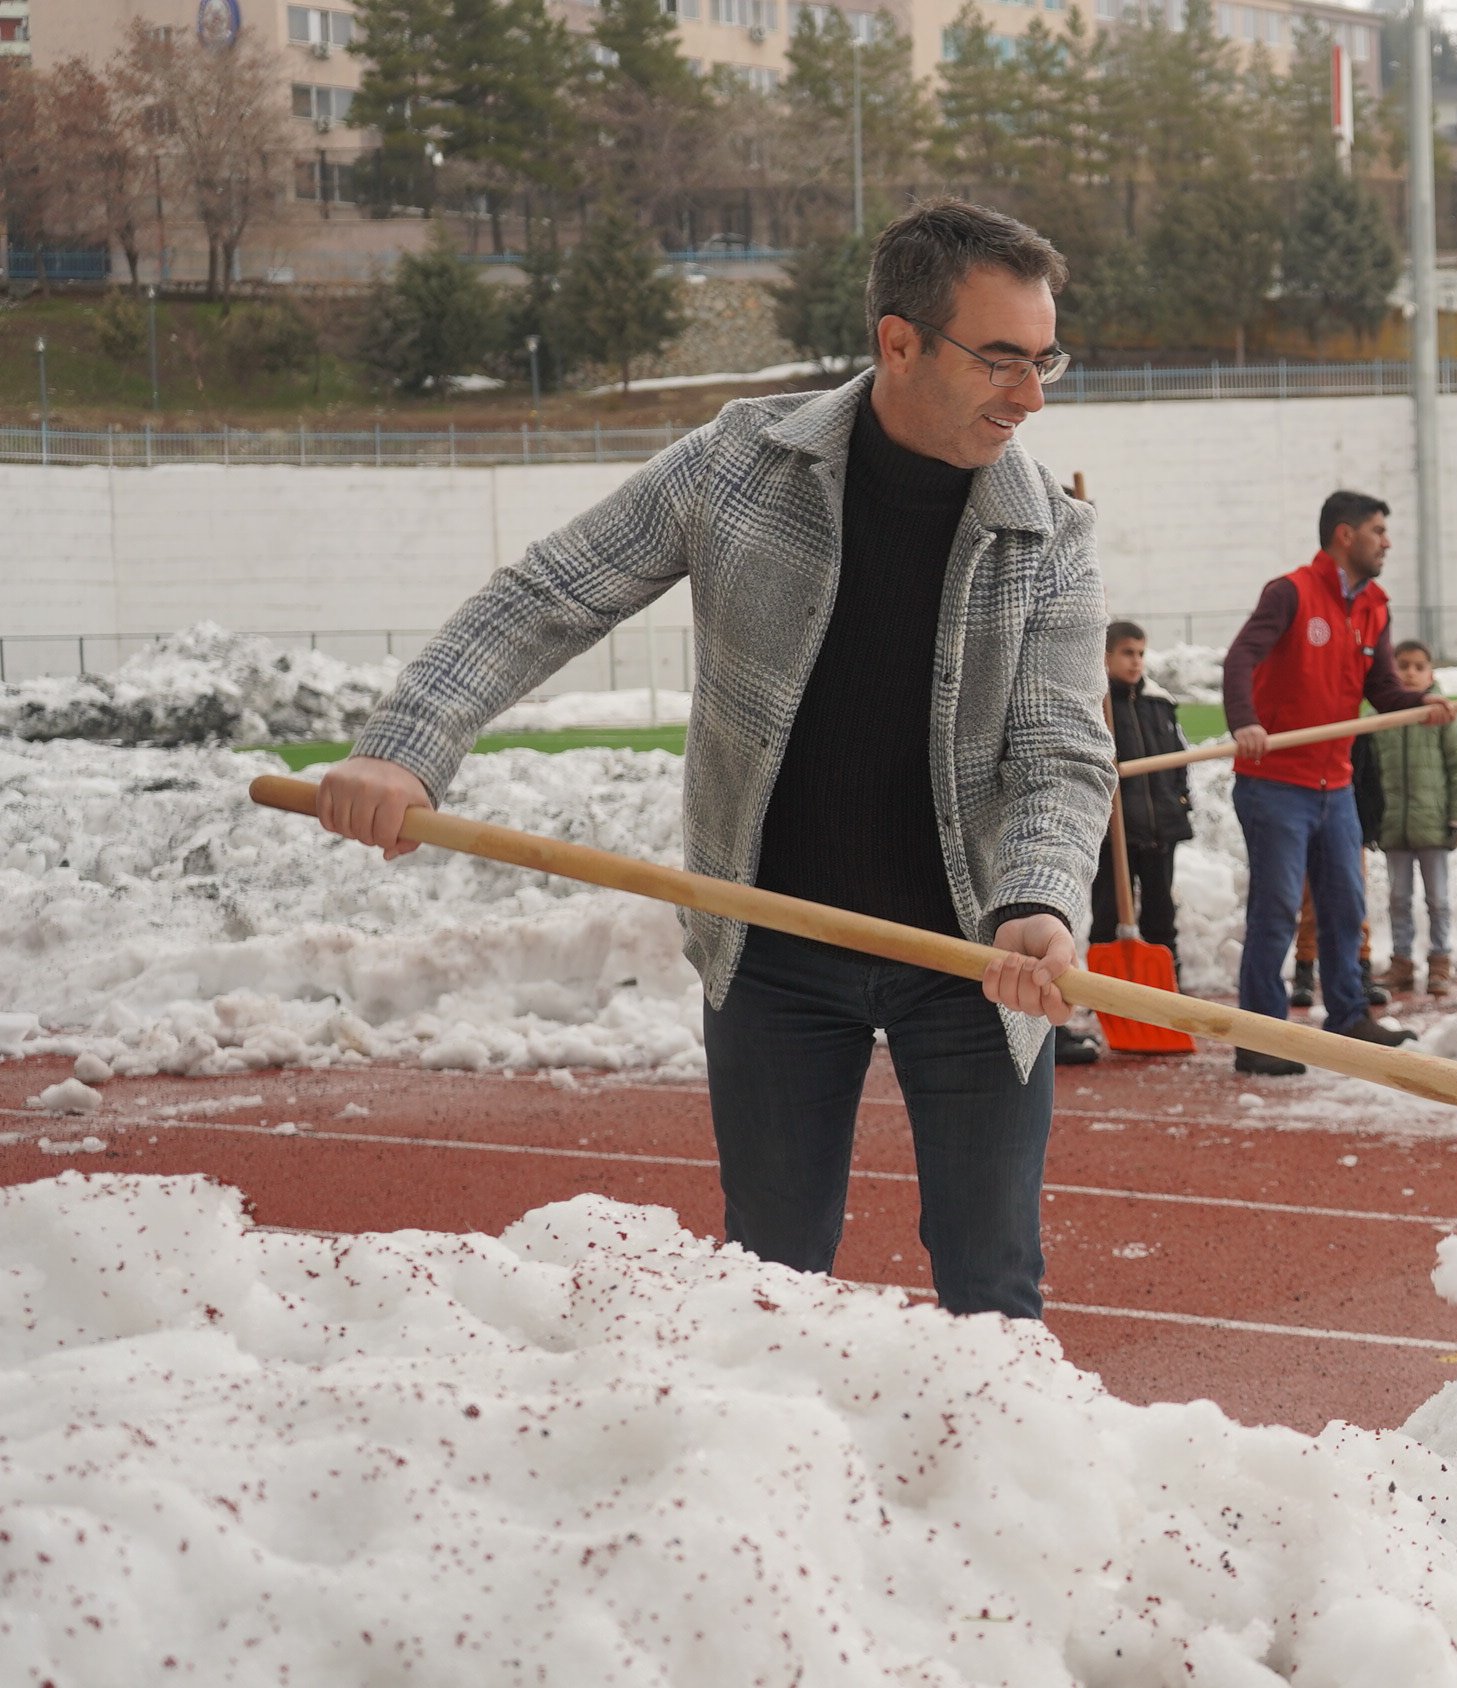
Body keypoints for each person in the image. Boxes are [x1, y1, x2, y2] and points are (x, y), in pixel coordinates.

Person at [309, 200, 1109, 1319]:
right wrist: (405, 749)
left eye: (1045, 360)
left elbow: (1062, 752)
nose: (1029, 395)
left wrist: (1036, 900)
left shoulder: (1051, 538)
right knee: (765, 1289)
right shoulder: (741, 463)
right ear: (898, 342)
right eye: (1002, 360)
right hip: (771, 952)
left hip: (976, 966)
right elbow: (550, 592)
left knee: (994, 1289)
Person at [1221, 490, 1454, 1075]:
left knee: (1346, 905)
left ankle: (1348, 1015)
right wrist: (1244, 722)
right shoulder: (1291, 592)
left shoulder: (1375, 605)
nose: (1388, 541)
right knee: (1275, 911)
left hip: (1336, 785)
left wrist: (1420, 703)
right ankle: (1260, 1035)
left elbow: (1383, 691)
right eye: (1379, 530)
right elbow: (1240, 659)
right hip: (1275, 781)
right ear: (1345, 535)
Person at [1372, 639, 1457, 999]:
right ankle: (1401, 961)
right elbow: (1367, 773)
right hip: (1394, 827)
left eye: (1419, 666)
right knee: (1398, 898)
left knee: (1438, 899)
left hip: (1432, 826)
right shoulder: (1380, 717)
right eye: (1402, 666)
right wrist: (1372, 819)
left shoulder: (1444, 715)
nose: (1411, 673)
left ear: (1431, 672)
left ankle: (1440, 962)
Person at [1096, 620, 1189, 957]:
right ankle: (1103, 992)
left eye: (1141, 653)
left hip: (1159, 828)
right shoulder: (1097, 706)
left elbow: (1178, 761)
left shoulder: (1158, 704)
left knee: (1161, 913)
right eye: (1127, 653)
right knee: (1108, 913)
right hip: (1115, 831)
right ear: (1105, 657)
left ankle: (1167, 983)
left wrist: (1179, 802)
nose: (1136, 661)